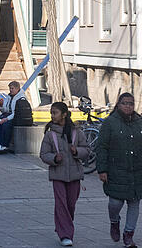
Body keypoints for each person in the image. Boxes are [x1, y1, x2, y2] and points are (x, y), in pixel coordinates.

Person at [96, 92, 142, 248]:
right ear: (118, 104)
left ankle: (128, 234)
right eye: (125, 103)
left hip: (137, 171)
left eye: (131, 103)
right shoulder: (110, 123)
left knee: (134, 203)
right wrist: (102, 169)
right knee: (115, 202)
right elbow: (102, 147)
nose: (128, 106)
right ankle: (114, 221)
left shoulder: (140, 124)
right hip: (116, 170)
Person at [40, 102, 90, 247]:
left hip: (75, 175)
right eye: (51, 113)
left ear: (64, 114)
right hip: (58, 175)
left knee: (70, 205)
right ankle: (65, 234)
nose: (52, 116)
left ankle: (63, 225)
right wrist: (54, 158)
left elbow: (87, 150)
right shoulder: (50, 134)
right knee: (61, 204)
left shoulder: (76, 132)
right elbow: (43, 154)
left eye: (55, 112)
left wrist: (77, 152)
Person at [0, 81, 33, 154]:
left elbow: (16, 113)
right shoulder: (8, 97)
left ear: (17, 89)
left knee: (6, 125)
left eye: (12, 88)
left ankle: (4, 145)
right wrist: (1, 105)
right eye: (10, 88)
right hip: (8, 115)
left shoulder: (21, 98)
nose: (10, 90)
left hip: (16, 118)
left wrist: (6, 119)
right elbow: (5, 110)